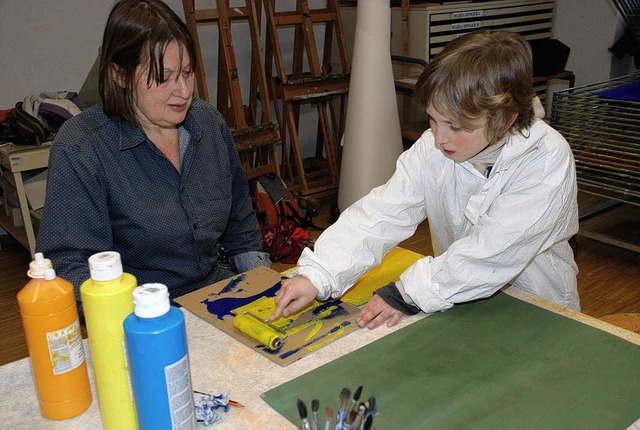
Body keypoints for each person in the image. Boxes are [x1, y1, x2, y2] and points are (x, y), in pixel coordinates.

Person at [269, 30, 579, 329]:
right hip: (455, 292)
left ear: (506, 118)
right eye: (434, 118)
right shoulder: (433, 146)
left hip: (536, 306)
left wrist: (407, 292)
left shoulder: (545, 158)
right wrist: (319, 273)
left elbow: (491, 253)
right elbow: (383, 213)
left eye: (456, 126)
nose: (440, 137)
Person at [36, 0, 270, 311]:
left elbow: (240, 218)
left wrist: (263, 286)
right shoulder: (81, 147)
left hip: (216, 292)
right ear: (120, 74)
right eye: (163, 77)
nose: (184, 91)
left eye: (187, 73)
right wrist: (144, 318)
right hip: (140, 314)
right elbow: (69, 267)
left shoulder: (209, 124)